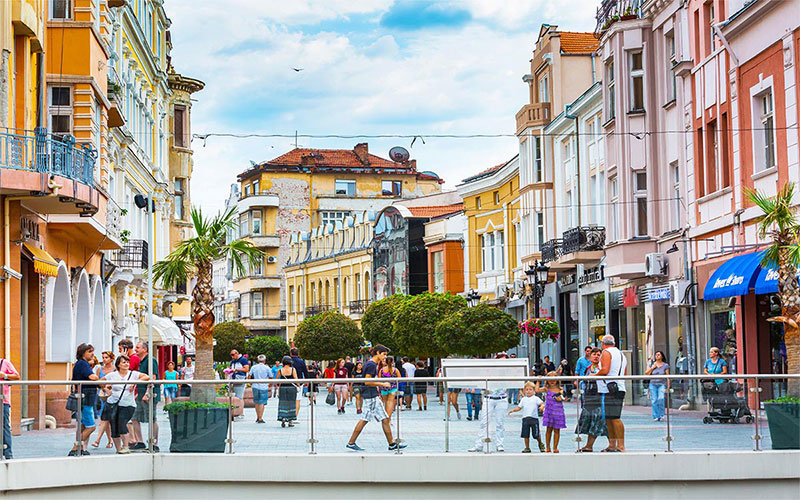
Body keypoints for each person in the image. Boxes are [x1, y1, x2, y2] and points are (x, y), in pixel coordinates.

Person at [346, 345, 406, 452]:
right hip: (371, 395)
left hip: (372, 395)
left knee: (385, 418)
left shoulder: (371, 364)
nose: (385, 357)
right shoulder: (371, 365)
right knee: (365, 419)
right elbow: (367, 381)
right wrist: (383, 383)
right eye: (384, 354)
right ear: (377, 353)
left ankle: (391, 443)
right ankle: (351, 442)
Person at [102, 355, 149, 454]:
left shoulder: (133, 374)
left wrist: (135, 382)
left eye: (127, 362)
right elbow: (100, 381)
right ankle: (118, 448)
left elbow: (147, 377)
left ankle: (126, 446)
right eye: (124, 362)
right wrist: (106, 389)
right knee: (114, 426)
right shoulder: (113, 375)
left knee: (122, 423)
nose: (126, 364)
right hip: (113, 403)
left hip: (128, 404)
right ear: (118, 364)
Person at [594, 334, 627, 452]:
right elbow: (625, 373)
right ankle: (613, 445)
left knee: (614, 417)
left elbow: (605, 370)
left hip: (612, 387)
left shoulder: (606, 353)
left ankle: (620, 445)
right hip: (619, 386)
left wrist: (593, 376)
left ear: (603, 344)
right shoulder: (621, 354)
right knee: (610, 417)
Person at [69, 343, 99, 456]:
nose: (92, 354)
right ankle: (75, 447)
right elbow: (93, 377)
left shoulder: (80, 364)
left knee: (82, 426)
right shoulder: (83, 364)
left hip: (83, 397)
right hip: (85, 398)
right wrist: (97, 378)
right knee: (91, 427)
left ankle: (80, 449)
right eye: (89, 352)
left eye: (92, 351)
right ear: (83, 353)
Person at [129, 342, 159, 452]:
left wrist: (147, 393)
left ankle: (154, 442)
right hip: (140, 393)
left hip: (150, 394)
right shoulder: (141, 361)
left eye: (137, 347)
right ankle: (140, 441)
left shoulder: (151, 360)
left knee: (152, 418)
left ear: (145, 349)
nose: (135, 349)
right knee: (135, 417)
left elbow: (153, 377)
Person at [576, 347, 606, 452]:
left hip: (599, 398)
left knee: (599, 422)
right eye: (594, 354)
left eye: (598, 355)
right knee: (591, 422)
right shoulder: (589, 368)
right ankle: (589, 445)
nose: (596, 356)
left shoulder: (602, 368)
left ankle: (613, 444)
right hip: (588, 398)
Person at [467, 378, 507, 453]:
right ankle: (479, 444)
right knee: (484, 422)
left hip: (502, 398)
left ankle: (499, 444)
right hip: (488, 398)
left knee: (500, 423)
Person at [507, 381, 545, 453]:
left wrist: (542, 407)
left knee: (536, 434)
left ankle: (540, 443)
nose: (528, 391)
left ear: (533, 390)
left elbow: (541, 404)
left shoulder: (536, 398)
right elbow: (519, 407)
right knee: (525, 434)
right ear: (524, 391)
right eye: (527, 389)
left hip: (534, 419)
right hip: (525, 419)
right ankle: (527, 447)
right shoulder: (523, 399)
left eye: (530, 389)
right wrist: (513, 410)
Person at [92, 351, 116, 449]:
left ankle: (99, 440)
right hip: (101, 395)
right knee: (104, 419)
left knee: (105, 420)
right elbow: (97, 381)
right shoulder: (99, 369)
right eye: (103, 357)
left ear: (111, 359)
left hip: (111, 395)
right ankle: (109, 441)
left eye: (106, 357)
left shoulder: (115, 370)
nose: (104, 359)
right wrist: (101, 387)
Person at [541, 371, 567, 453]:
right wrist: (538, 381)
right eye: (550, 379)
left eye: (554, 379)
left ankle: (555, 447)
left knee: (557, 430)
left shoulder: (560, 389)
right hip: (549, 411)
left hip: (558, 411)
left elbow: (562, 398)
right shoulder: (546, 389)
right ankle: (548, 447)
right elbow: (537, 390)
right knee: (548, 429)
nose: (552, 381)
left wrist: (561, 393)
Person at [0, 355, 20, 459]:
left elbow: (17, 376)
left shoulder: (4, 363)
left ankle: (8, 453)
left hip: (3, 400)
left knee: (5, 426)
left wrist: (5, 376)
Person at [645, 351, 670, 422]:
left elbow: (668, 376)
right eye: (656, 355)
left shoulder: (665, 365)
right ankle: (656, 416)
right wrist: (652, 367)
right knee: (654, 400)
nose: (657, 356)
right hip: (653, 384)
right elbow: (646, 373)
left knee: (661, 398)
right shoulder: (652, 364)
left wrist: (668, 386)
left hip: (662, 384)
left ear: (662, 356)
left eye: (659, 355)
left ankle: (662, 414)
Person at [249, 355, 272, 423]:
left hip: (255, 386)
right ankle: (260, 418)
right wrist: (269, 384)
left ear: (258, 361)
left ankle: (257, 416)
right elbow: (271, 377)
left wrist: (251, 383)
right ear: (265, 361)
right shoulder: (267, 368)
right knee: (262, 402)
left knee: (256, 402)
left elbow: (249, 375)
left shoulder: (254, 367)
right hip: (263, 386)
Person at [277, 355, 299, 427]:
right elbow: (296, 379)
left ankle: (283, 418)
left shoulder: (280, 370)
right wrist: (299, 385)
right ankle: (290, 421)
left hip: (283, 388)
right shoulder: (293, 369)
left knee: (283, 403)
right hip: (291, 388)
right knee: (291, 403)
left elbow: (277, 380)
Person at [289, 348, 310, 417]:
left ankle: (288, 415)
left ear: (291, 354)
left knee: (290, 400)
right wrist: (307, 381)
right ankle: (295, 416)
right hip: (299, 383)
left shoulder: (288, 361)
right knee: (297, 400)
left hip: (288, 382)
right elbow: (305, 372)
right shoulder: (301, 361)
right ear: (298, 353)